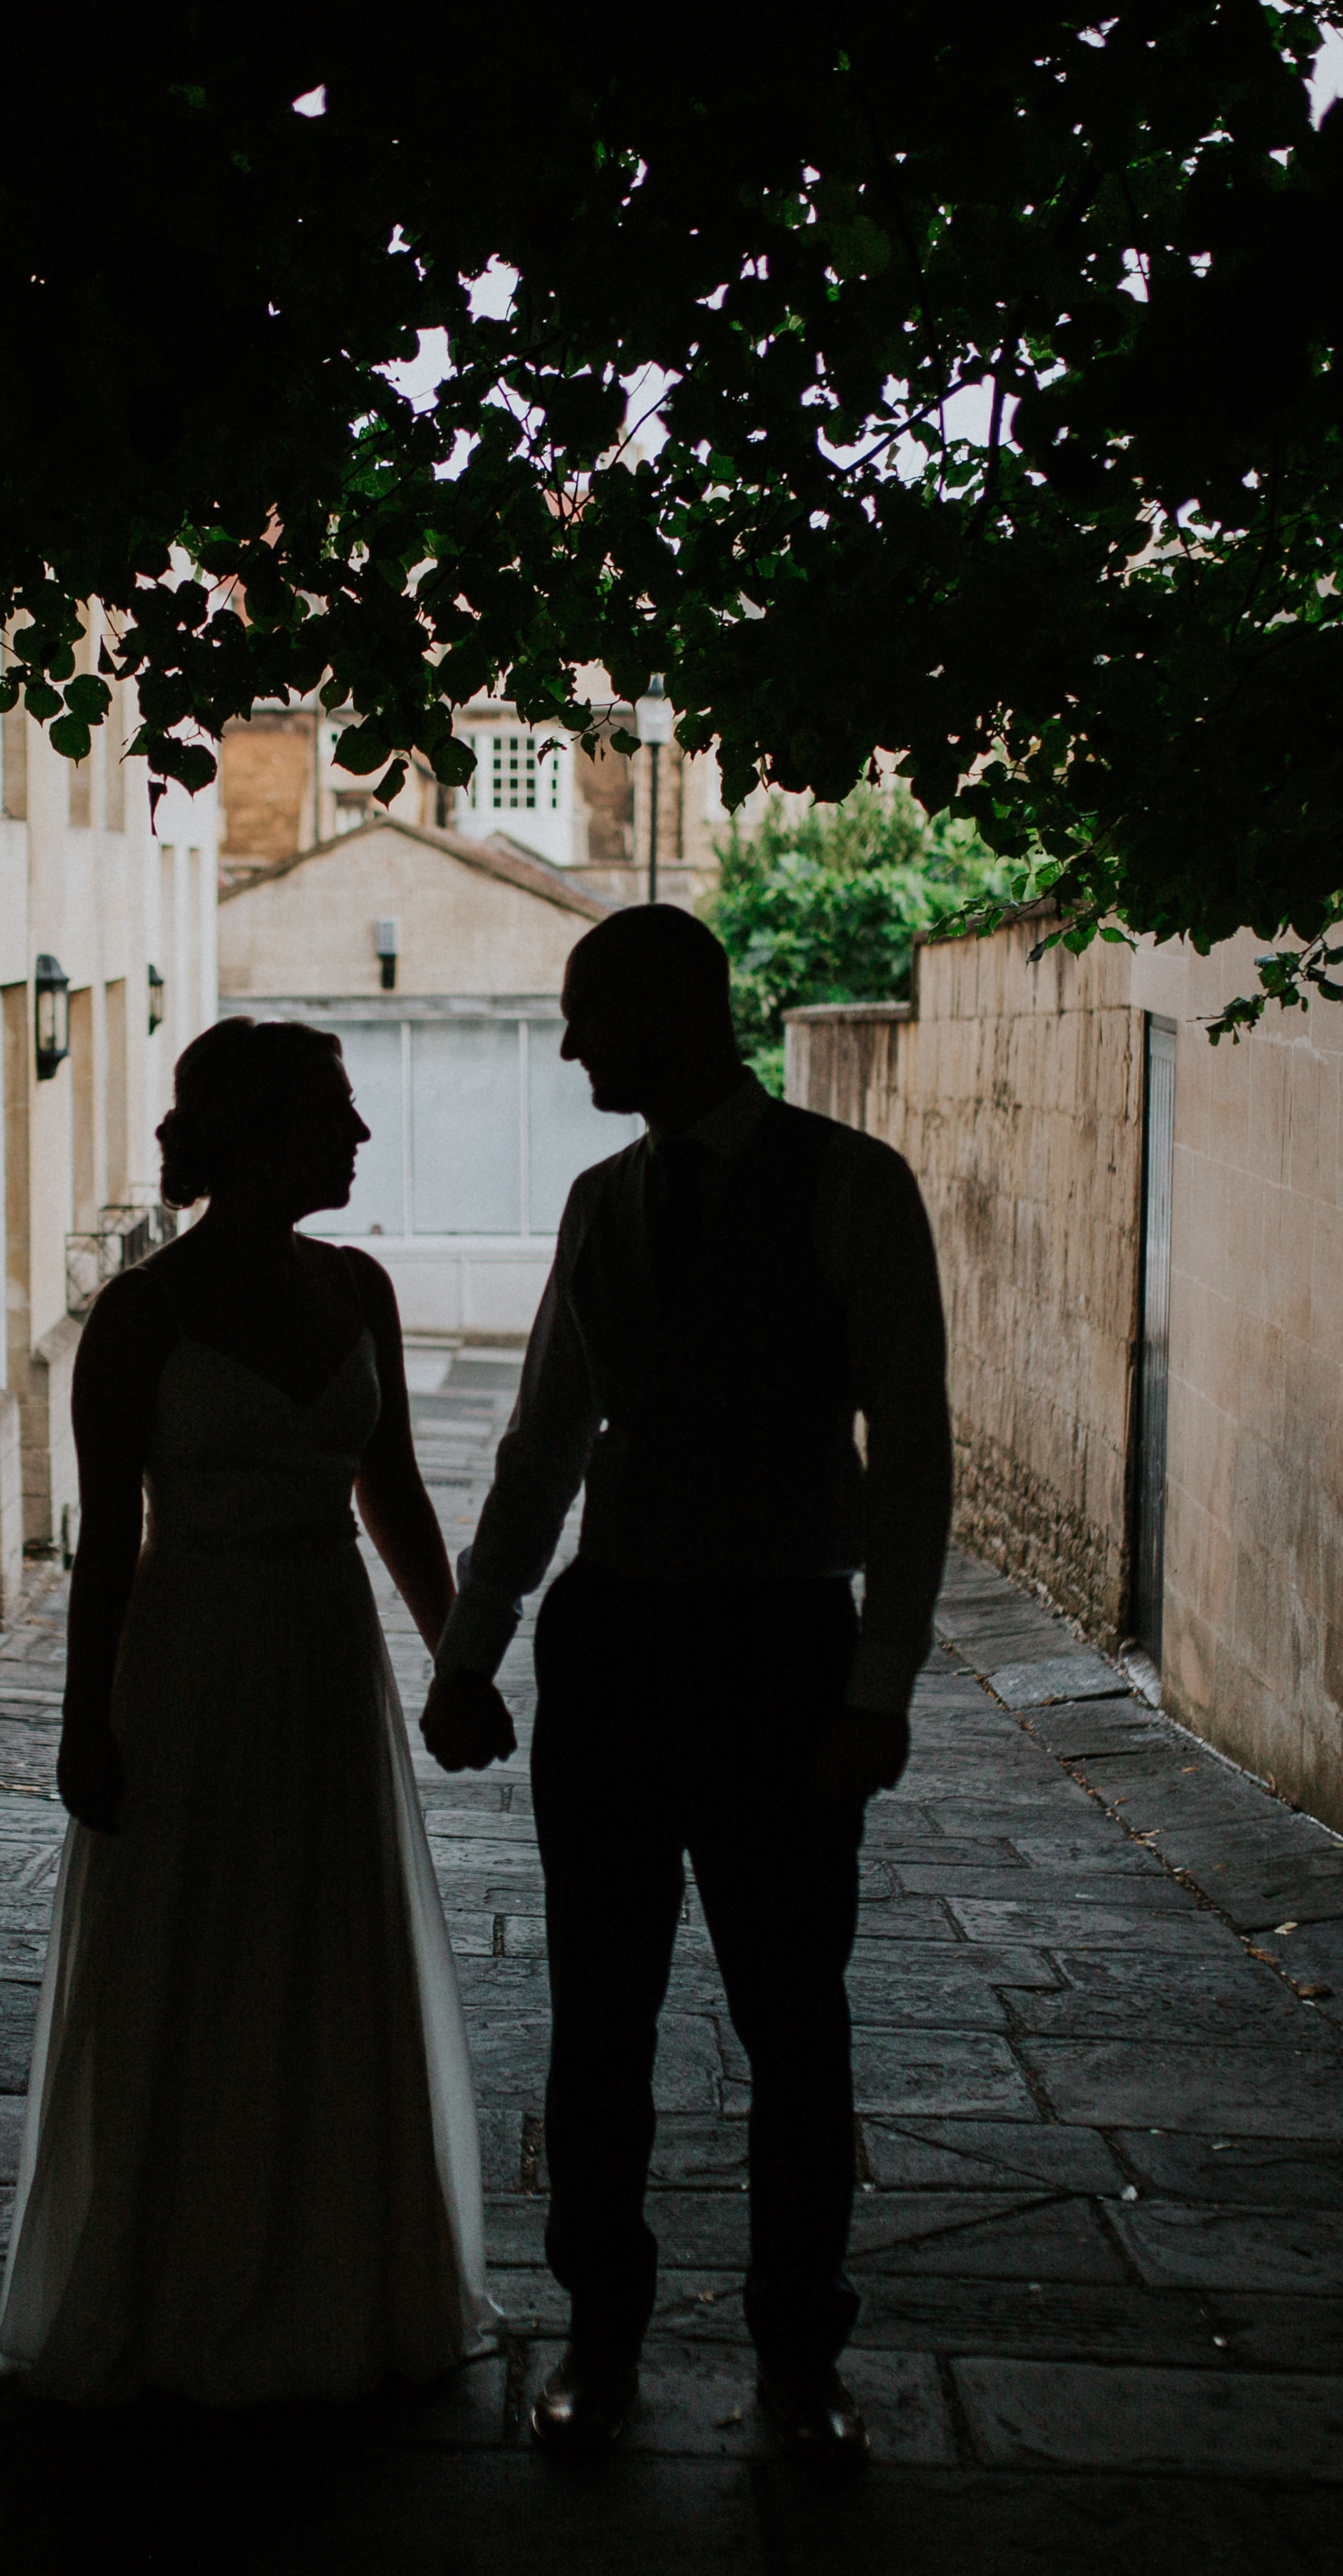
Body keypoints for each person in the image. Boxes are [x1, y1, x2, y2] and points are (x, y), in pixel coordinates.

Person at [419, 905, 951, 2470]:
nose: (571, 1045)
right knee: (599, 2011)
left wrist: (882, 1679)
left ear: (670, 1012)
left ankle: (800, 2348)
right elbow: (541, 1449)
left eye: (589, 1015)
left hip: (783, 1647)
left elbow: (909, 1454)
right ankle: (603, 2331)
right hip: (616, 1645)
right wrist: (469, 1648)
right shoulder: (599, 1202)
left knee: (795, 2020)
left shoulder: (857, 1187)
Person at [0, 1017, 494, 2403]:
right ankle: (173, 2274)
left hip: (328, 1657)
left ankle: (336, 2270)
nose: (359, 1136)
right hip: (192, 1651)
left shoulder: (360, 1287)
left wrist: (453, 1658)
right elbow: (103, 1540)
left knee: (330, 1943)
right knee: (188, 1952)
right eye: (334, 1112)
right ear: (259, 1132)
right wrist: (83, 1721)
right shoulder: (142, 1314)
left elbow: (391, 1488)